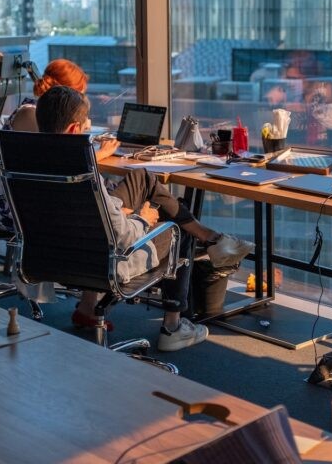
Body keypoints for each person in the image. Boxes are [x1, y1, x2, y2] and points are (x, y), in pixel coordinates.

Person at [35, 86, 255, 351]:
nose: (88, 130)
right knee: (177, 229)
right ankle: (173, 327)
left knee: (142, 179)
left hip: (55, 257)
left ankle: (89, 307)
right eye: (85, 125)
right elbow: (122, 236)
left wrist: (116, 209)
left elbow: (86, 213)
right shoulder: (82, 171)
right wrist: (142, 217)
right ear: (73, 130)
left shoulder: (32, 159)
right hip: (104, 260)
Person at [6, 59, 88, 132]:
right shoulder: (30, 114)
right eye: (79, 95)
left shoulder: (48, 114)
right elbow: (53, 148)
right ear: (64, 93)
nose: (79, 103)